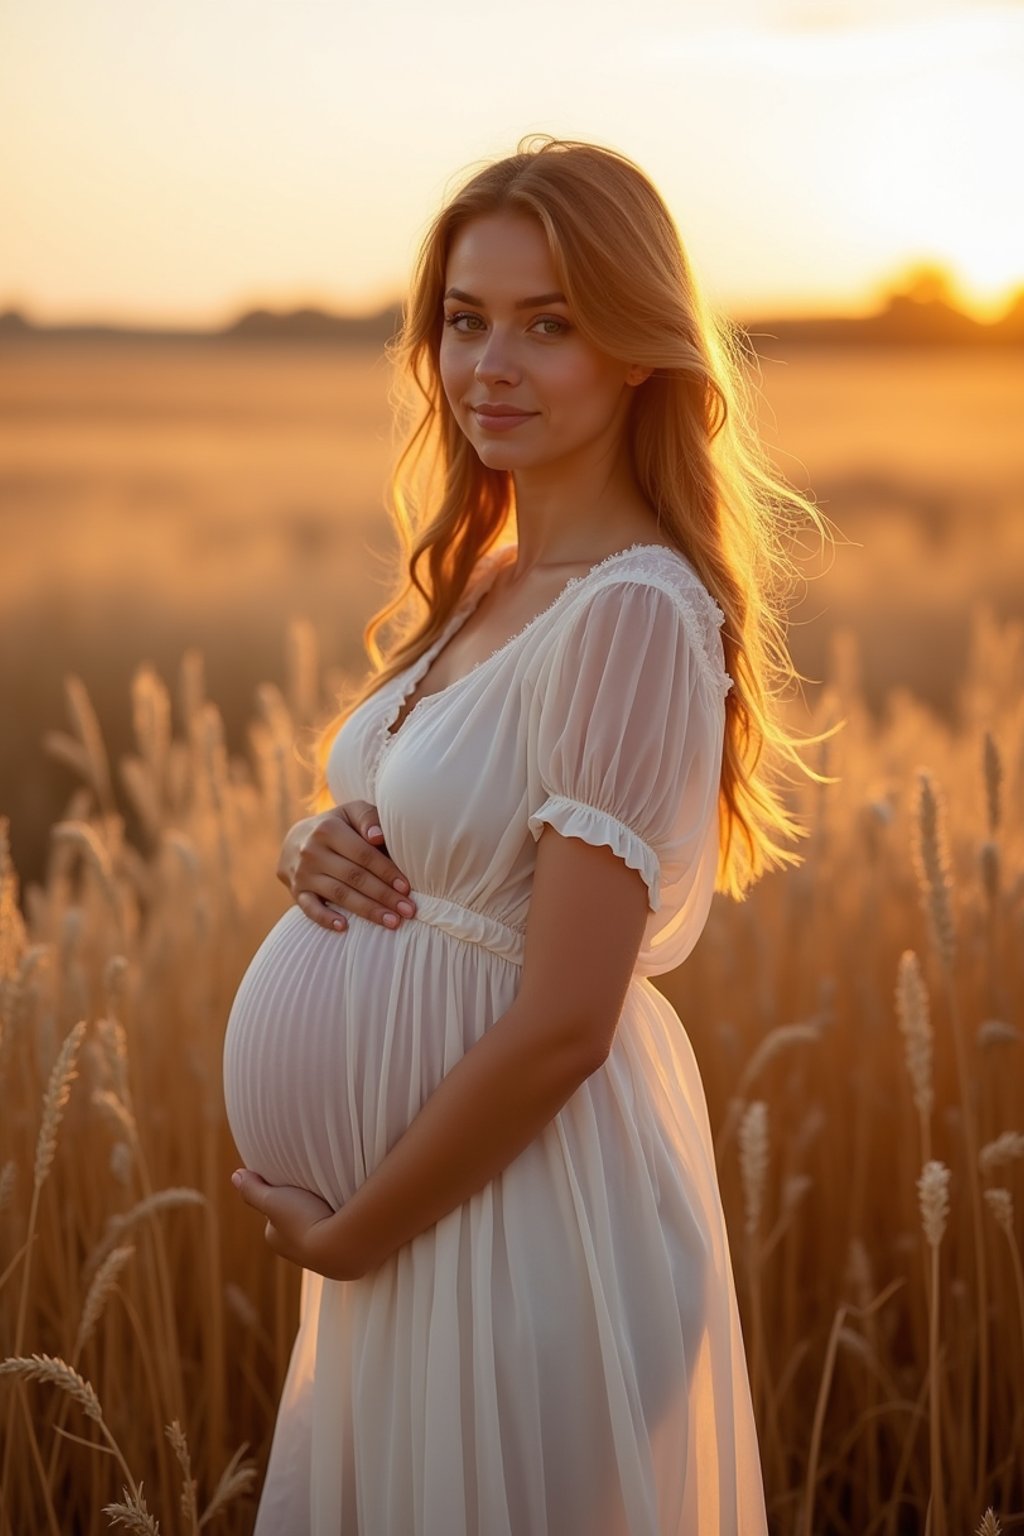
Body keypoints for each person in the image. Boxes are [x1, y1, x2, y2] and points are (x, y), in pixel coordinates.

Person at [223, 134, 826, 1534]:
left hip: (523, 1228)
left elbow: (566, 1020)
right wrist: (313, 844)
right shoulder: (492, 580)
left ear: (636, 352)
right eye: (465, 319)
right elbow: (440, 838)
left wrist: (357, 1236)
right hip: (438, 1222)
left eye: (548, 325)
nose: (490, 363)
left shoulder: (628, 612)